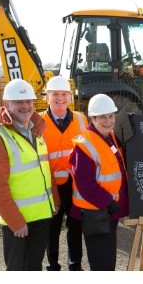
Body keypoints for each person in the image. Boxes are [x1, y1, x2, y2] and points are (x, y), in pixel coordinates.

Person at [0, 79, 60, 271]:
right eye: (19, 102)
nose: (25, 106)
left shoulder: (37, 133)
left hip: (41, 216)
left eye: (28, 102)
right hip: (18, 223)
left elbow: (46, 170)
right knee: (17, 270)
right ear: (7, 104)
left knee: (33, 267)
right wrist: (16, 222)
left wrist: (55, 202)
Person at [69, 93, 129, 271]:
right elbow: (85, 185)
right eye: (102, 117)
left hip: (108, 212)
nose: (108, 121)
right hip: (96, 213)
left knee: (107, 260)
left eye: (111, 116)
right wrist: (108, 203)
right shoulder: (85, 144)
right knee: (102, 263)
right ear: (93, 118)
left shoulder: (108, 137)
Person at [40, 76, 88, 271]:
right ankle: (53, 266)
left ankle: (75, 265)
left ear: (70, 96)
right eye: (55, 94)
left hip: (74, 183)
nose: (60, 98)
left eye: (64, 94)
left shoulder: (80, 119)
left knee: (75, 225)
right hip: (50, 184)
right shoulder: (38, 121)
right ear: (47, 97)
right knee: (52, 227)